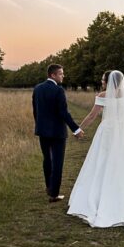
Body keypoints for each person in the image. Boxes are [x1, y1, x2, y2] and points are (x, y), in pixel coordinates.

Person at [67, 70, 124, 236]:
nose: (102, 81)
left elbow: (92, 115)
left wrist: (79, 129)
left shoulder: (103, 95)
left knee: (103, 162)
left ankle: (103, 197)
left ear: (109, 81)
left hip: (109, 132)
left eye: (103, 79)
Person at [32, 64, 84, 202]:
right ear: (53, 75)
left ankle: (49, 187)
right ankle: (54, 194)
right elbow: (63, 113)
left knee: (47, 160)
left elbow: (35, 111)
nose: (63, 76)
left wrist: (40, 125)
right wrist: (76, 129)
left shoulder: (37, 88)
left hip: (42, 131)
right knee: (57, 162)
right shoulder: (58, 90)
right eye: (61, 73)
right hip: (57, 132)